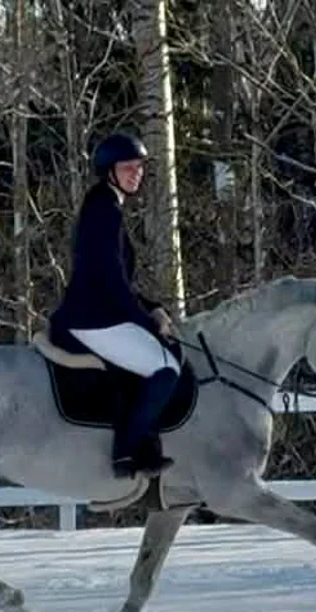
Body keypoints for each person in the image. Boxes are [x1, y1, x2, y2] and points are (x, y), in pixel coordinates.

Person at [48, 132, 180, 479]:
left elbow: (120, 277)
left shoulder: (108, 204)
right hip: (93, 318)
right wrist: (146, 321)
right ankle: (126, 450)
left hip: (100, 313)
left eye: (138, 167)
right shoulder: (103, 209)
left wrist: (151, 307)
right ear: (109, 170)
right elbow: (110, 278)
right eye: (127, 168)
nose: (135, 173)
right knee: (166, 370)